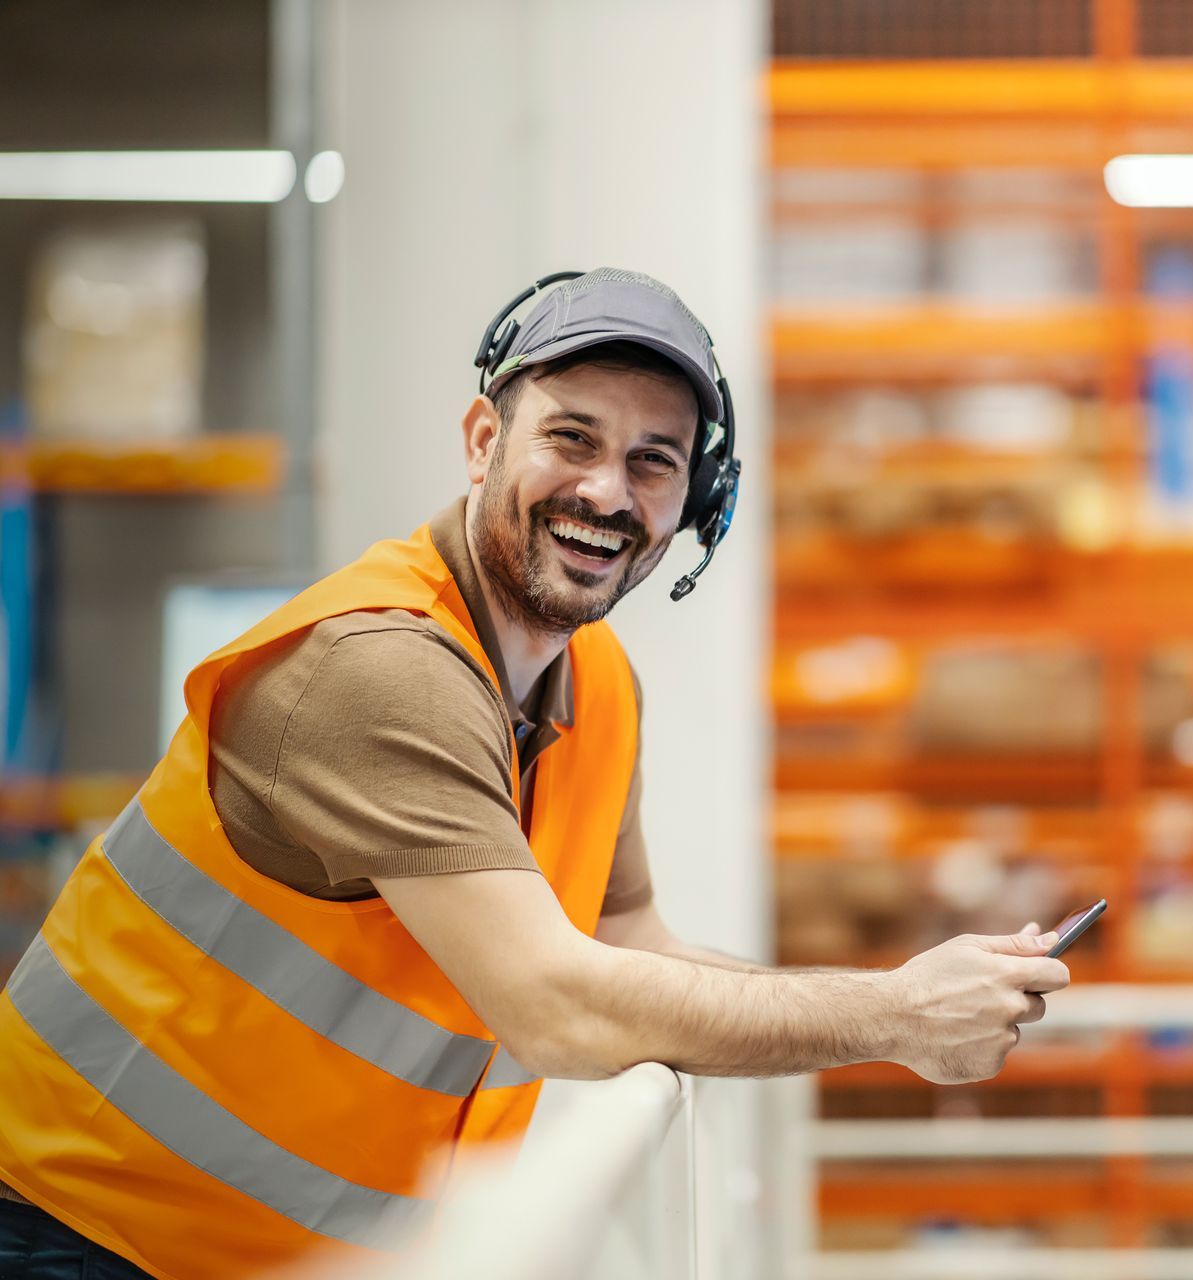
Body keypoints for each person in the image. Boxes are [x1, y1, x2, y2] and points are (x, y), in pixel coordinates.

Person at [0, 268, 1070, 1280]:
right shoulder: (376, 669)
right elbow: (555, 1006)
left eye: (655, 460)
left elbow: (629, 938)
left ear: (698, 500)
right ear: (482, 441)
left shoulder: (593, 680)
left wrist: (905, 998)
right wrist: (890, 1016)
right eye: (571, 437)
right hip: (72, 1228)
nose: (607, 490)